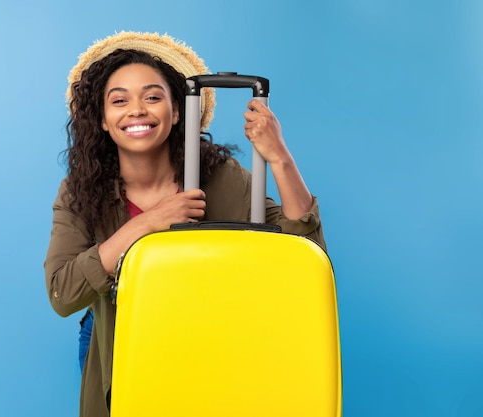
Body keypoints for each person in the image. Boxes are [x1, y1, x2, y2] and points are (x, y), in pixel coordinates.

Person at [44, 31, 326, 417]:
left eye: (153, 97)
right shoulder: (79, 191)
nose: (137, 110)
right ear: (104, 121)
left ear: (177, 112)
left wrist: (279, 158)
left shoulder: (222, 177)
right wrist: (147, 225)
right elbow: (62, 292)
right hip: (118, 334)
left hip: (207, 333)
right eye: (119, 100)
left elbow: (305, 249)